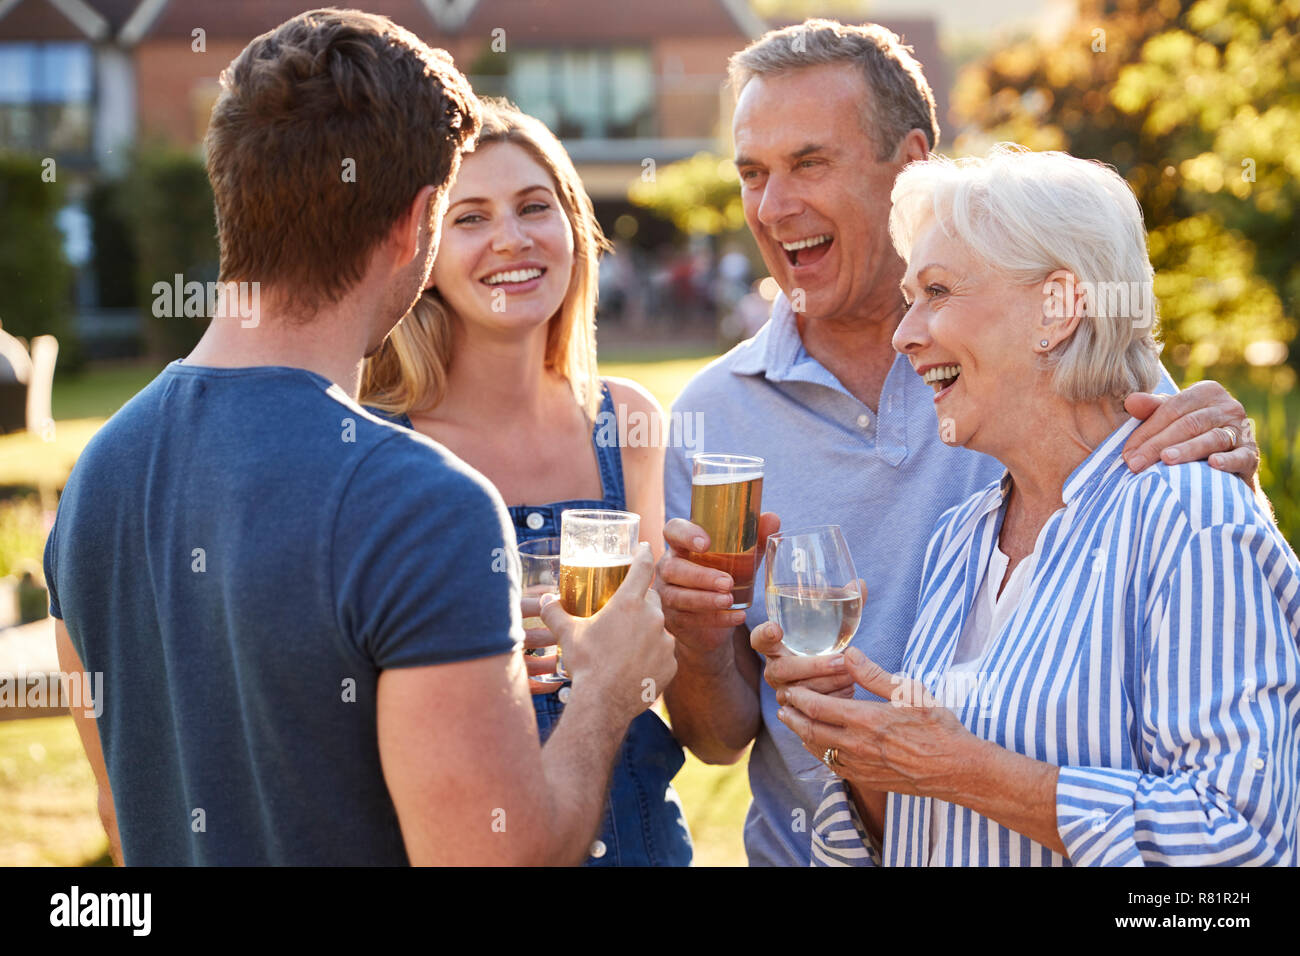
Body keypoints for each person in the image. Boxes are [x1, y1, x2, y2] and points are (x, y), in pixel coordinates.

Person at [43, 9, 675, 866]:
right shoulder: (422, 503)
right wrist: (605, 690)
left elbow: (123, 819)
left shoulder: (97, 477)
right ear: (418, 220)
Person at [654, 19, 1267, 867]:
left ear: (907, 163)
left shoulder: (1169, 491)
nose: (772, 206)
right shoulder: (963, 537)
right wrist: (848, 737)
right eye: (752, 174)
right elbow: (890, 804)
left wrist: (1228, 463)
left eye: (809, 162)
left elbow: (1245, 846)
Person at [762, 145, 1300, 865]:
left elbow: (1242, 849)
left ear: (1060, 306)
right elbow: (934, 831)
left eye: (939, 292)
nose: (905, 333)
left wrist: (964, 770)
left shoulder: (1192, 519)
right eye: (908, 299)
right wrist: (866, 753)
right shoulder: (964, 536)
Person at [359, 98, 692, 866]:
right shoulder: (379, 445)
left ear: (574, 227)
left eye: (535, 206)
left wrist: (697, 627)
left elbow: (675, 697)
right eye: (469, 218)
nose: (512, 238)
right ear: (424, 255)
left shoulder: (628, 424)